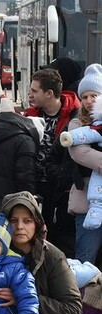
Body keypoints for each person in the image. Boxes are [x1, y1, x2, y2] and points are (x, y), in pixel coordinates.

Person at [25, 68, 80, 257]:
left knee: (61, 240)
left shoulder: (74, 117)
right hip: (35, 187)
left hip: (61, 191)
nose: (30, 94)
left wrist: (59, 177)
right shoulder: (29, 116)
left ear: (49, 94)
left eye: (34, 90)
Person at [61, 63, 102, 264]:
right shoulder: (76, 126)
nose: (88, 101)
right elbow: (80, 153)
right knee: (86, 259)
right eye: (84, 97)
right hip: (85, 202)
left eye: (94, 96)